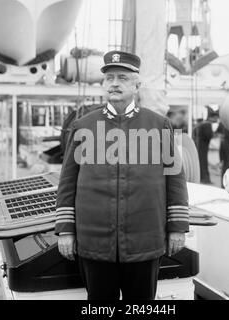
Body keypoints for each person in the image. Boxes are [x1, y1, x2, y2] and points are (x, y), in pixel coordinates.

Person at [55, 51, 189, 300]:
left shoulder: (159, 125)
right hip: (94, 241)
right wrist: (65, 230)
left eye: (123, 78)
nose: (114, 83)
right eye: (109, 78)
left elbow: (175, 179)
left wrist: (178, 228)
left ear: (137, 85)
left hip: (144, 241)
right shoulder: (83, 126)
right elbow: (67, 182)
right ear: (103, 83)